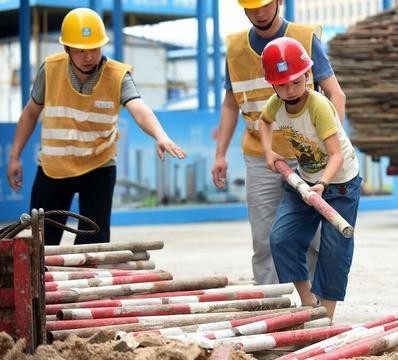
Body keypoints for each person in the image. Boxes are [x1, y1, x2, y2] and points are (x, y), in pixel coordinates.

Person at [6, 8, 185, 246]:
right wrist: (15, 156)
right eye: (80, 50)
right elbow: (30, 114)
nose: (89, 56)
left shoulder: (118, 75)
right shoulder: (50, 69)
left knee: (94, 241)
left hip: (98, 165)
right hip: (54, 167)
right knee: (41, 243)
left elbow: (139, 109)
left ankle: (88, 281)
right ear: (67, 49)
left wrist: (160, 136)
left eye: (94, 48)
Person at [211, 0, 346, 285]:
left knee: (313, 237)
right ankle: (269, 302)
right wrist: (220, 154)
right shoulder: (235, 48)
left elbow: (336, 94)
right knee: (264, 238)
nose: (259, 13)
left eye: (264, 5)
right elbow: (230, 104)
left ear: (279, 2)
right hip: (262, 157)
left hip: (308, 156)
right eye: (251, 7)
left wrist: (332, 145)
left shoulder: (305, 38)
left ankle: (312, 306)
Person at [258, 37, 361, 320]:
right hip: (305, 182)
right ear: (272, 84)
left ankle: (325, 317)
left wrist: (323, 185)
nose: (290, 90)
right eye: (281, 84)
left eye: (295, 81)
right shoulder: (275, 105)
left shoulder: (318, 106)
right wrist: (268, 152)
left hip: (339, 183)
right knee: (282, 238)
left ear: (307, 75)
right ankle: (307, 301)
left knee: (333, 249)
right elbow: (264, 123)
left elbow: (336, 155)